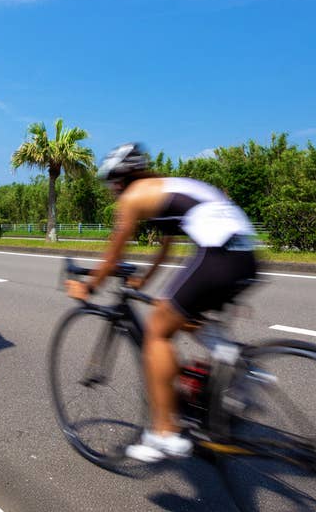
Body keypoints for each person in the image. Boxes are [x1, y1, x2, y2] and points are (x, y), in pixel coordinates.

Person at [66, 143, 257, 463]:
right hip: (246, 256)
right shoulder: (165, 188)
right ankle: (235, 363)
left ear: (120, 180)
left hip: (217, 254)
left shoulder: (133, 197)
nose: (112, 191)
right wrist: (144, 281)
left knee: (157, 329)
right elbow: (166, 247)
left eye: (111, 184)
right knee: (181, 313)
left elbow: (114, 254)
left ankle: (164, 433)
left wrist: (88, 285)